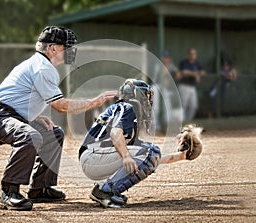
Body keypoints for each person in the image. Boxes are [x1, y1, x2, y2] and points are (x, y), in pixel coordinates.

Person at [0, 26, 116, 211]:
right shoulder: (42, 67)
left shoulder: (39, 64)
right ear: (53, 48)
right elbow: (61, 106)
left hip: (9, 114)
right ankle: (9, 192)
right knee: (30, 136)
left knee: (54, 133)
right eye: (66, 47)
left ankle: (40, 188)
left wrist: (35, 117)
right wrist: (92, 103)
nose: (70, 51)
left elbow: (20, 97)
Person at [79, 79, 203, 208]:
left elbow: (149, 158)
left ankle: (106, 190)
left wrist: (180, 156)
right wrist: (126, 156)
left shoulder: (128, 115)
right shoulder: (128, 107)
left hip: (96, 158)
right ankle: (104, 192)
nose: (148, 101)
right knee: (150, 152)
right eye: (146, 95)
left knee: (150, 152)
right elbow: (115, 133)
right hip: (92, 157)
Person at [152, 50, 180, 131]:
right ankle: (155, 125)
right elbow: (162, 74)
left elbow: (178, 75)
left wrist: (175, 71)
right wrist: (168, 67)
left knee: (167, 106)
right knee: (156, 107)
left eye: (167, 57)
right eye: (164, 57)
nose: (166, 59)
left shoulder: (171, 65)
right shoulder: (158, 65)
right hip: (156, 86)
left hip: (164, 89)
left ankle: (166, 124)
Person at [179, 48, 205, 121]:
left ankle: (187, 122)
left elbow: (203, 71)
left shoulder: (196, 63)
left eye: (194, 54)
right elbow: (184, 72)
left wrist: (198, 75)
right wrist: (195, 74)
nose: (193, 55)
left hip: (192, 87)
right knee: (183, 106)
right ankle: (182, 122)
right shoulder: (184, 62)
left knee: (193, 106)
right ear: (188, 55)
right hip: (184, 86)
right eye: (191, 54)